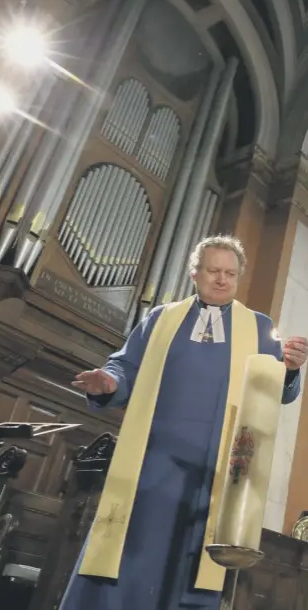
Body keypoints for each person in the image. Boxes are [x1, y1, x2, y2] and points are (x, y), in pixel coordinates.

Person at [61, 235, 307, 610]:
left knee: (192, 568)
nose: (222, 280)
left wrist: (290, 370)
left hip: (212, 474)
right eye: (213, 271)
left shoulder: (258, 328)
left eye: (230, 273)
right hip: (150, 465)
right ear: (195, 273)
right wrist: (109, 382)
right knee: (127, 558)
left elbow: (277, 393)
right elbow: (124, 367)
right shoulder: (161, 319)